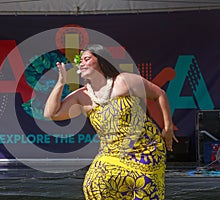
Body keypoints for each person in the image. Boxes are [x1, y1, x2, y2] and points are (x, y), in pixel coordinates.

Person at [44, 44, 178, 199]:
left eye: (86, 59)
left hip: (146, 150)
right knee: (94, 183)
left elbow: (159, 94)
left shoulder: (124, 81)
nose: (81, 63)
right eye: (80, 61)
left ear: (101, 61)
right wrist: (61, 82)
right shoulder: (83, 96)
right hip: (111, 153)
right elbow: (51, 113)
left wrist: (167, 127)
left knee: (143, 190)